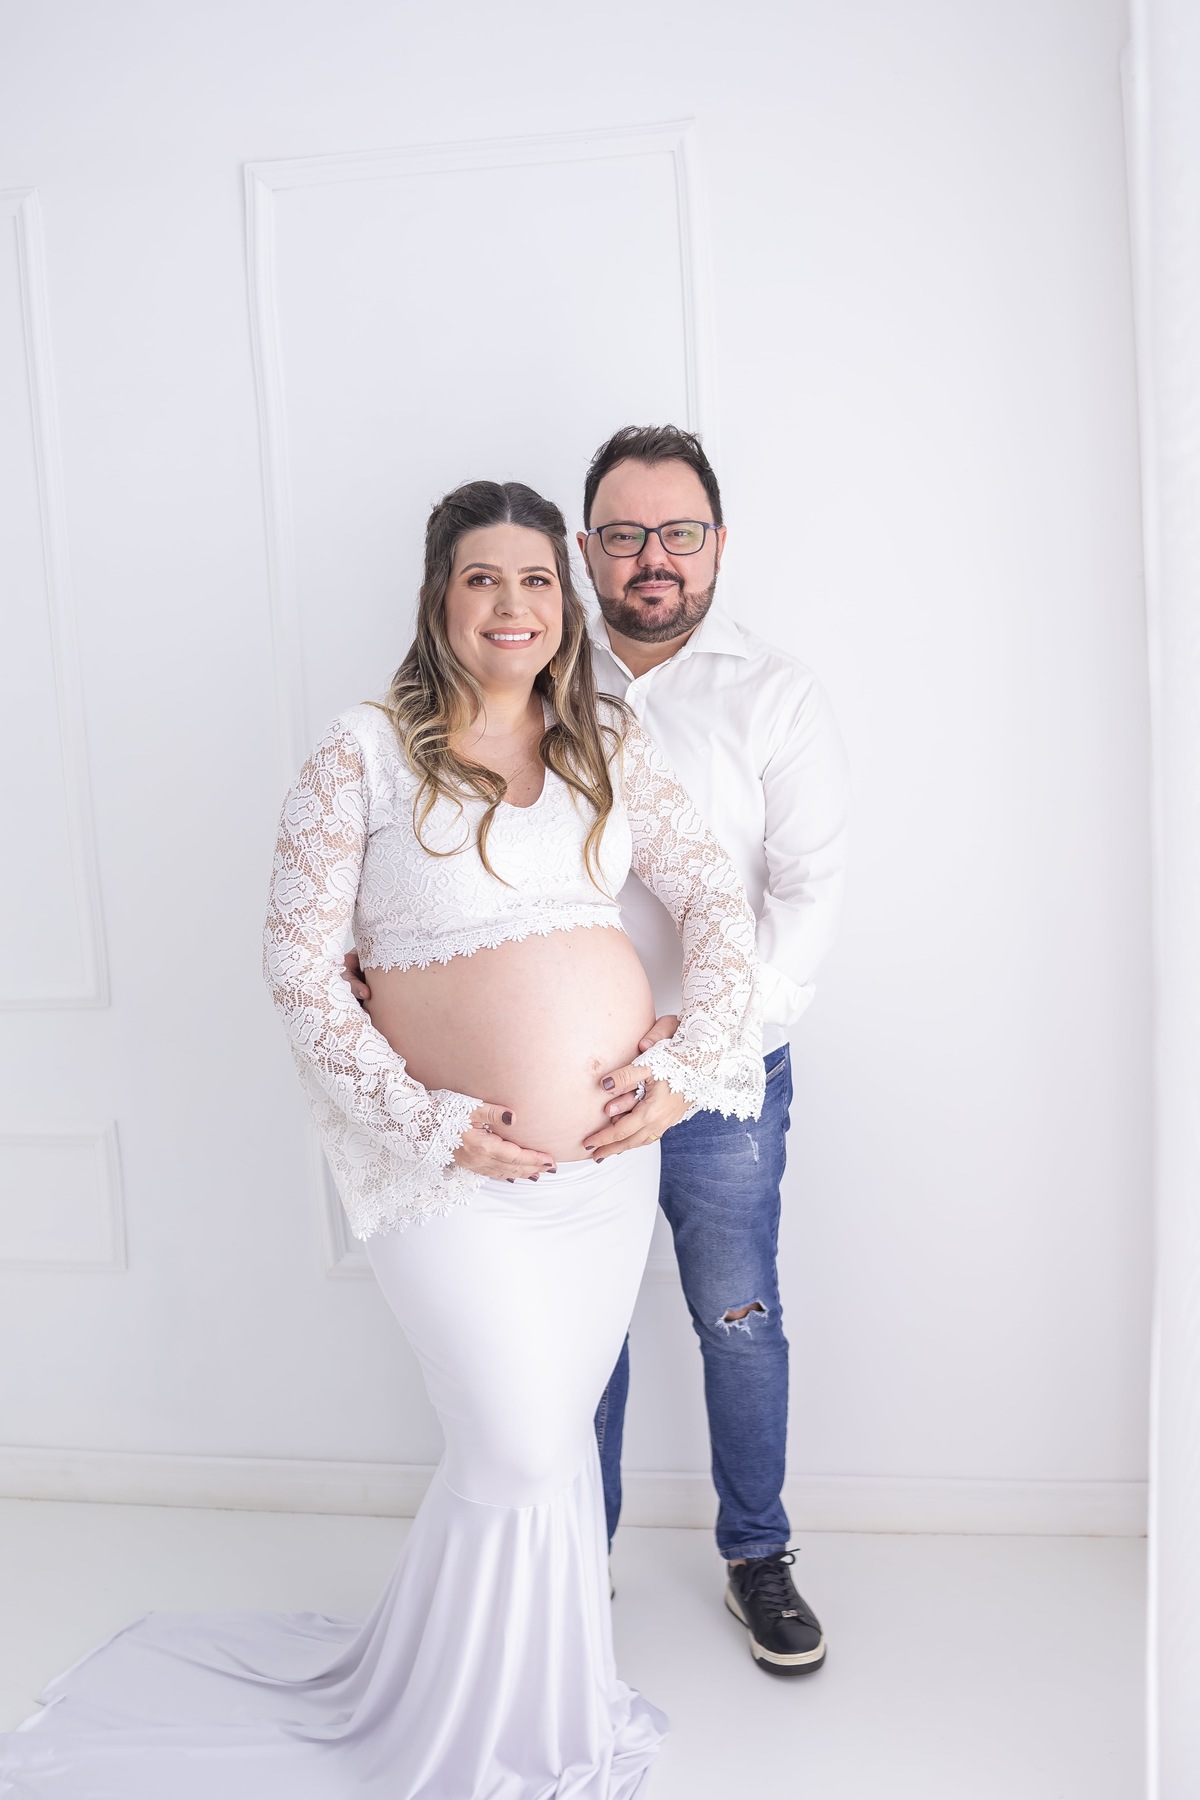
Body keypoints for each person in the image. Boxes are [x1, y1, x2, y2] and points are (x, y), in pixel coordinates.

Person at [0, 480, 763, 1800]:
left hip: (602, 1173)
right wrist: (432, 1118)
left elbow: (721, 915)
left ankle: (535, 1707)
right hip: (437, 1169)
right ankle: (456, 1728)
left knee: (522, 1444)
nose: (511, 604)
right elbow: (297, 968)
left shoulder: (608, 745)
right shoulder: (360, 751)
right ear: (438, 597)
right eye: (482, 579)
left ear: (561, 600)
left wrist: (689, 1066)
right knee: (523, 1443)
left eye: (533, 579)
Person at [581, 426, 849, 1676]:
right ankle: (574, 1560)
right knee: (578, 1320)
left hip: (726, 1080)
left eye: (678, 533)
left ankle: (758, 1556)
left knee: (738, 1318)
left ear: (718, 545)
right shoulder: (525, 678)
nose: (653, 559)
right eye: (625, 533)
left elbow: (807, 894)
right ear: (587, 548)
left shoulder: (775, 694)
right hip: (567, 1076)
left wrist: (708, 1043)